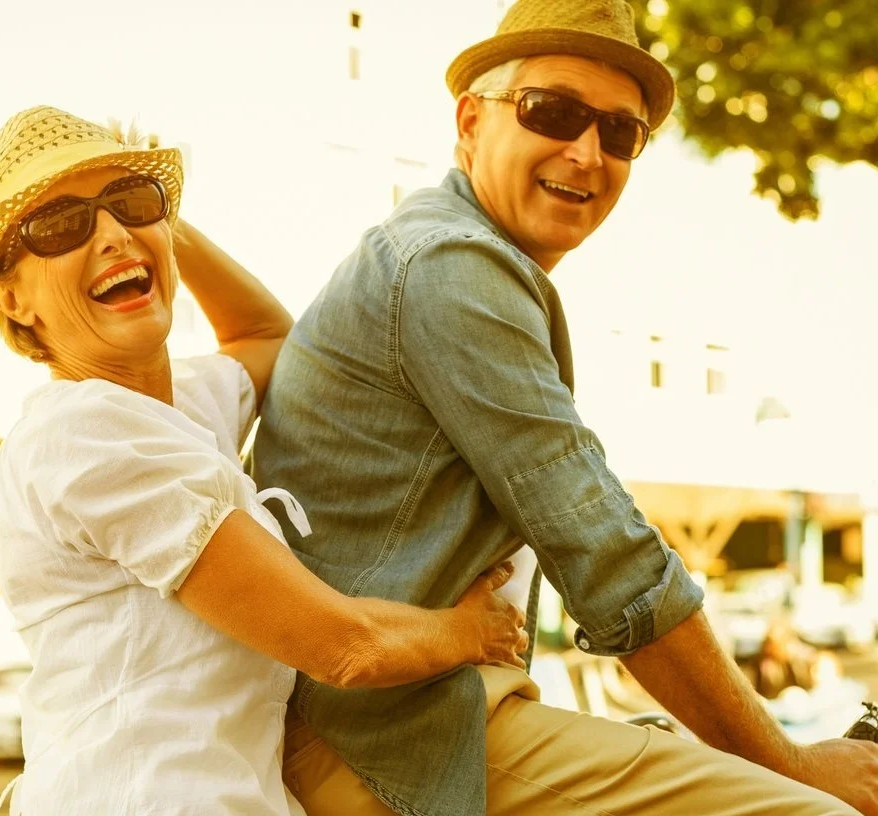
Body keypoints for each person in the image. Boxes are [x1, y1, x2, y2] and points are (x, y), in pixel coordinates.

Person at [250, 1, 878, 814]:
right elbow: (606, 552)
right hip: (388, 739)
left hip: (421, 713)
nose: (587, 152)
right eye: (552, 111)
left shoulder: (442, 254)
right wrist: (791, 761)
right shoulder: (449, 268)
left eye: (620, 132)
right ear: (470, 122)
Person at [0, 106, 529, 816]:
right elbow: (343, 647)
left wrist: (160, 227)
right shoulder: (83, 436)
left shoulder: (178, 405)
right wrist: (468, 632)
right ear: (12, 299)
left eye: (128, 202)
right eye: (60, 224)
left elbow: (265, 337)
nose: (110, 233)